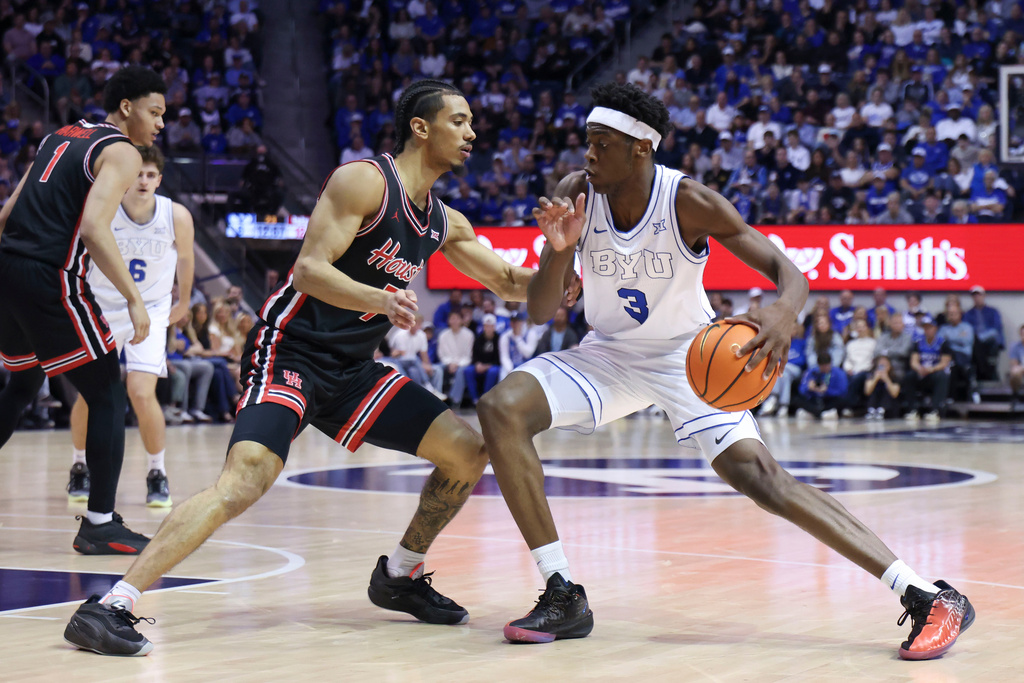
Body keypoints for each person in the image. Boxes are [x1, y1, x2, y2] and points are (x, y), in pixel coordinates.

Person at [63, 79, 576, 656]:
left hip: (354, 367)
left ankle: (401, 576)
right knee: (245, 481)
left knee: (467, 451)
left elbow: (512, 284)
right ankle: (111, 605)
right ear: (421, 127)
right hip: (292, 350)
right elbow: (308, 270)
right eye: (459, 120)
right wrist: (380, 299)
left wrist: (561, 257)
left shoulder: (443, 221)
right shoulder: (364, 181)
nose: (472, 132)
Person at [475, 82, 972, 659]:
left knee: (762, 480)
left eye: (601, 144)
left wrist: (783, 313)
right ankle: (562, 592)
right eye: (587, 142)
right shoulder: (576, 194)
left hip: (688, 356)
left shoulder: (688, 201)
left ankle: (928, 596)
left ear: (640, 147)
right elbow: (539, 309)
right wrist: (559, 250)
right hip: (607, 353)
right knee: (500, 408)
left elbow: (791, 273)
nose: (587, 155)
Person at [0, 66, 167, 554]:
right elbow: (94, 229)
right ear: (126, 108)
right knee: (108, 395)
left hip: (7, 266)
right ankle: (99, 522)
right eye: (154, 112)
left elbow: (9, 210)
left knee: (23, 385)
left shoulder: (59, 135)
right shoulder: (121, 151)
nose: (160, 125)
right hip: (49, 275)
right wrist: (135, 300)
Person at [68, 144, 194, 509]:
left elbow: (185, 261)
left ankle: (157, 472)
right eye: (138, 173)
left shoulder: (177, 216)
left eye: (151, 174)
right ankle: (79, 465)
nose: (143, 180)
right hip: (102, 304)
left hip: (151, 308)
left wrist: (183, 302)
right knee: (90, 393)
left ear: (160, 179)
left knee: (141, 391)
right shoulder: (103, 208)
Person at [902, 315, 953, 422]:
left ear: (935, 328)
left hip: (935, 372)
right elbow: (914, 361)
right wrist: (919, 368)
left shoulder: (943, 343)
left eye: (930, 327)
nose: (927, 330)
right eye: (925, 327)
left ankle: (935, 411)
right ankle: (912, 410)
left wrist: (931, 369)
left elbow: (944, 363)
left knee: (942, 376)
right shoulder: (918, 342)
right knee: (909, 376)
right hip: (922, 372)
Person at [963, 285, 1004, 381]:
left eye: (979, 295)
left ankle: (983, 373)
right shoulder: (968, 314)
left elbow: (996, 329)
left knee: (991, 335)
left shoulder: (993, 311)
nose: (977, 298)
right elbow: (966, 330)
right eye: (975, 296)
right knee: (976, 345)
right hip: (974, 342)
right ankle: (987, 375)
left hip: (990, 341)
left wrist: (980, 337)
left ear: (984, 296)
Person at [795, 352, 850, 419]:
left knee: (842, 401)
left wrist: (827, 390)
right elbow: (801, 389)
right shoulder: (812, 372)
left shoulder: (839, 373)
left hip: (830, 400)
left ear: (830, 363)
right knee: (797, 399)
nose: (825, 369)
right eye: (822, 367)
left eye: (826, 366)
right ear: (818, 365)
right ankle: (819, 413)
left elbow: (843, 391)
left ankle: (816, 413)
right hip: (815, 399)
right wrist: (808, 387)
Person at [864, 355, 901, 419]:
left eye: (885, 365)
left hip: (889, 408)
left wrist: (886, 379)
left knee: (887, 389)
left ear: (889, 366)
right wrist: (875, 379)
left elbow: (895, 394)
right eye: (881, 365)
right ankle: (871, 410)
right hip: (874, 405)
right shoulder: (871, 376)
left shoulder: (894, 378)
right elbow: (867, 392)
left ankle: (882, 410)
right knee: (875, 388)